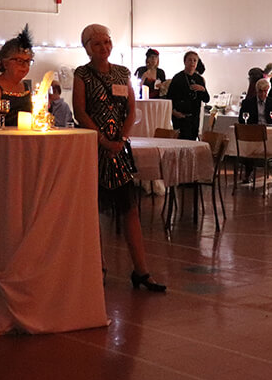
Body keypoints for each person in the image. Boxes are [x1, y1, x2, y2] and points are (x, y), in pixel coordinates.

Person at [73, 23, 165, 293]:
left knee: (130, 209)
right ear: (88, 48)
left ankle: (141, 270)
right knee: (94, 211)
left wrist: (121, 139)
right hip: (94, 149)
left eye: (107, 42)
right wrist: (102, 140)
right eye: (98, 44)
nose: (104, 48)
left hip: (119, 150)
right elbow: (80, 111)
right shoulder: (82, 74)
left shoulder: (123, 73)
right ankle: (97, 267)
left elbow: (131, 108)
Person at [0, 26, 34, 127]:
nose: (24, 66)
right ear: (5, 63)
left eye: (28, 61)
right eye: (19, 61)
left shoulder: (25, 87)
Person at [164, 50, 209, 140]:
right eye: (190, 60)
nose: (192, 62)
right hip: (180, 117)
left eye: (194, 60)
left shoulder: (199, 79)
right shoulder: (178, 77)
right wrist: (174, 112)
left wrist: (202, 89)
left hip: (194, 118)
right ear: (185, 62)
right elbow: (169, 98)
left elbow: (207, 99)